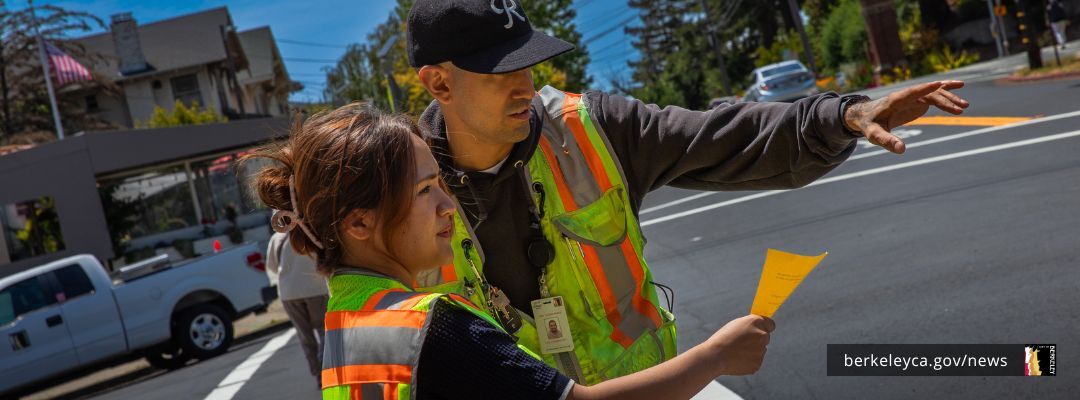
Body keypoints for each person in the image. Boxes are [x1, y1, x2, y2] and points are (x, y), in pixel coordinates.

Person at [405, 0, 971, 385]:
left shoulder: (591, 129)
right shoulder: (396, 185)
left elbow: (730, 136)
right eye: (499, 71)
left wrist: (844, 115)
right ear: (438, 82)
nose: (525, 84)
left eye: (527, 62)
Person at [246, 104, 774, 400]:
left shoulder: (344, 319)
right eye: (425, 191)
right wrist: (716, 357)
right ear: (359, 222)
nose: (447, 207)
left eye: (441, 185)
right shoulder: (433, 327)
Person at [264, 231, 329, 386]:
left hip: (289, 293)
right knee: (323, 330)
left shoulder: (277, 238)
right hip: (315, 289)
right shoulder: (309, 230)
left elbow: (272, 266)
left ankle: (317, 372)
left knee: (304, 334)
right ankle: (325, 368)